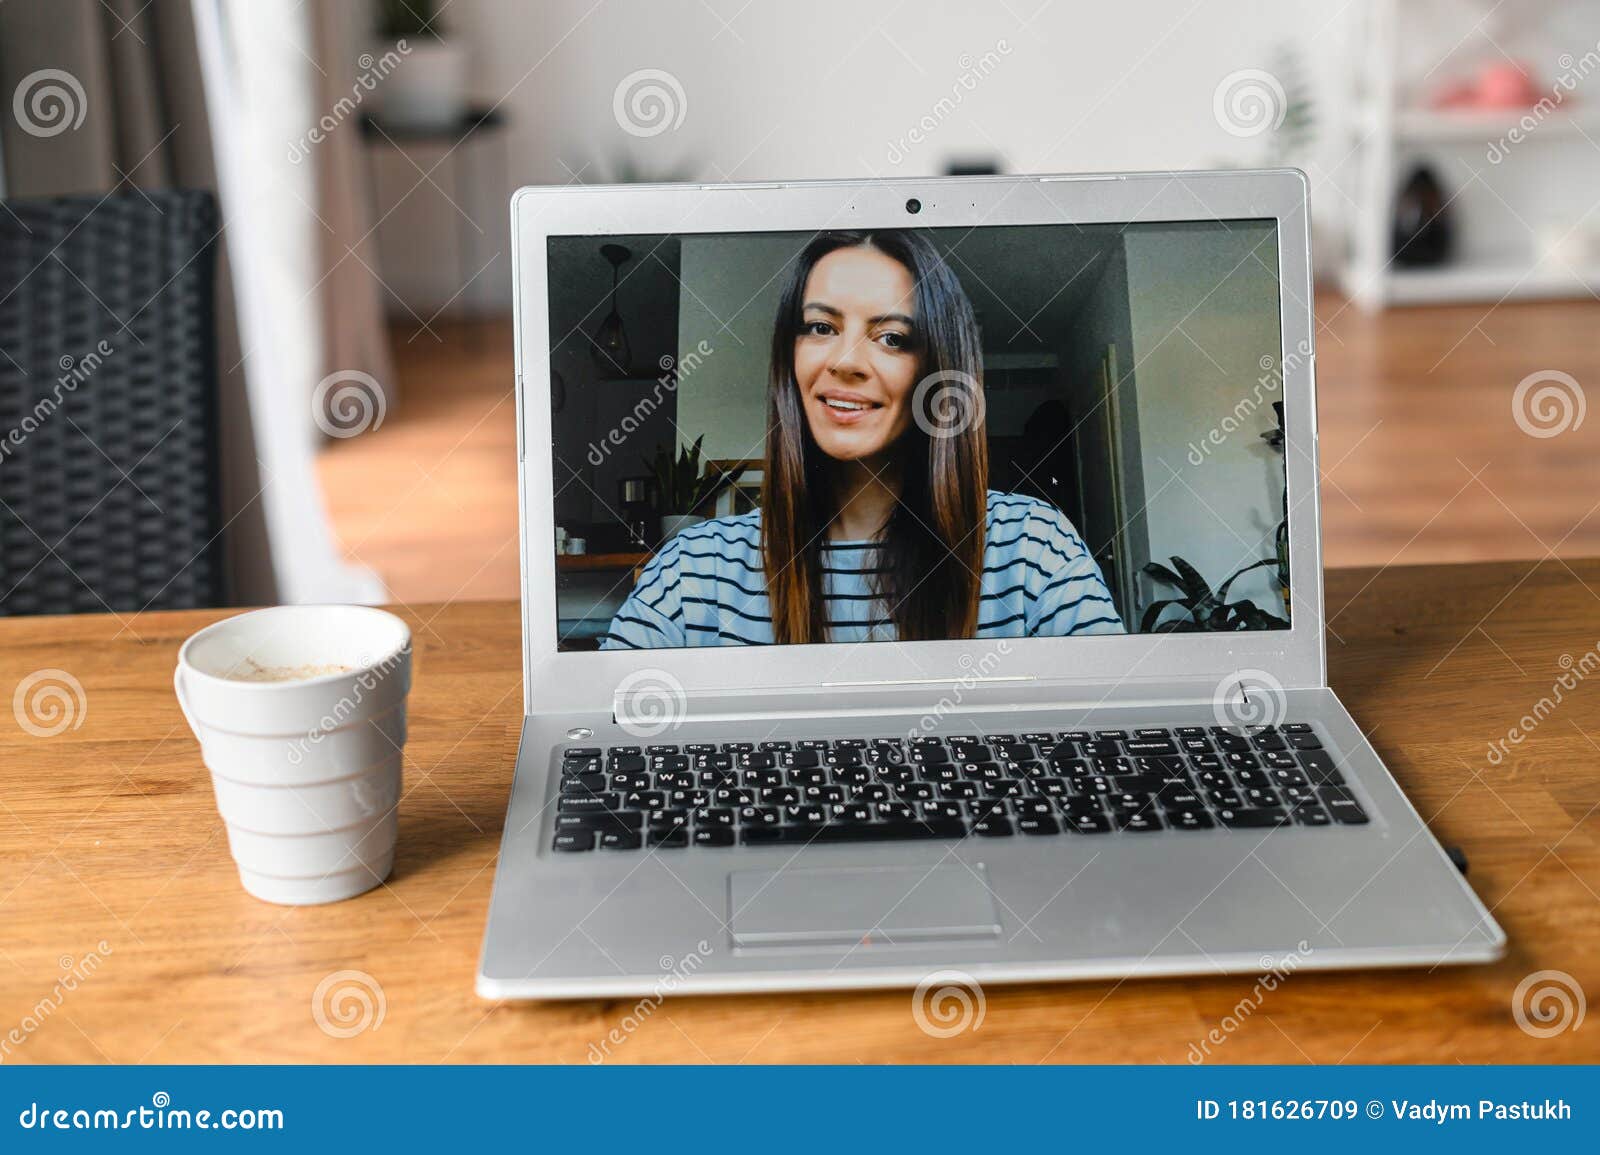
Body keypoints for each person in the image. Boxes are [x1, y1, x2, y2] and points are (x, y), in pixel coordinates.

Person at [601, 230, 1123, 649]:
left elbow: (1116, 737)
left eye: (891, 338)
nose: (846, 361)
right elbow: (608, 735)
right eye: (821, 328)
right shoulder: (693, 569)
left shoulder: (1032, 546)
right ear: (790, 356)